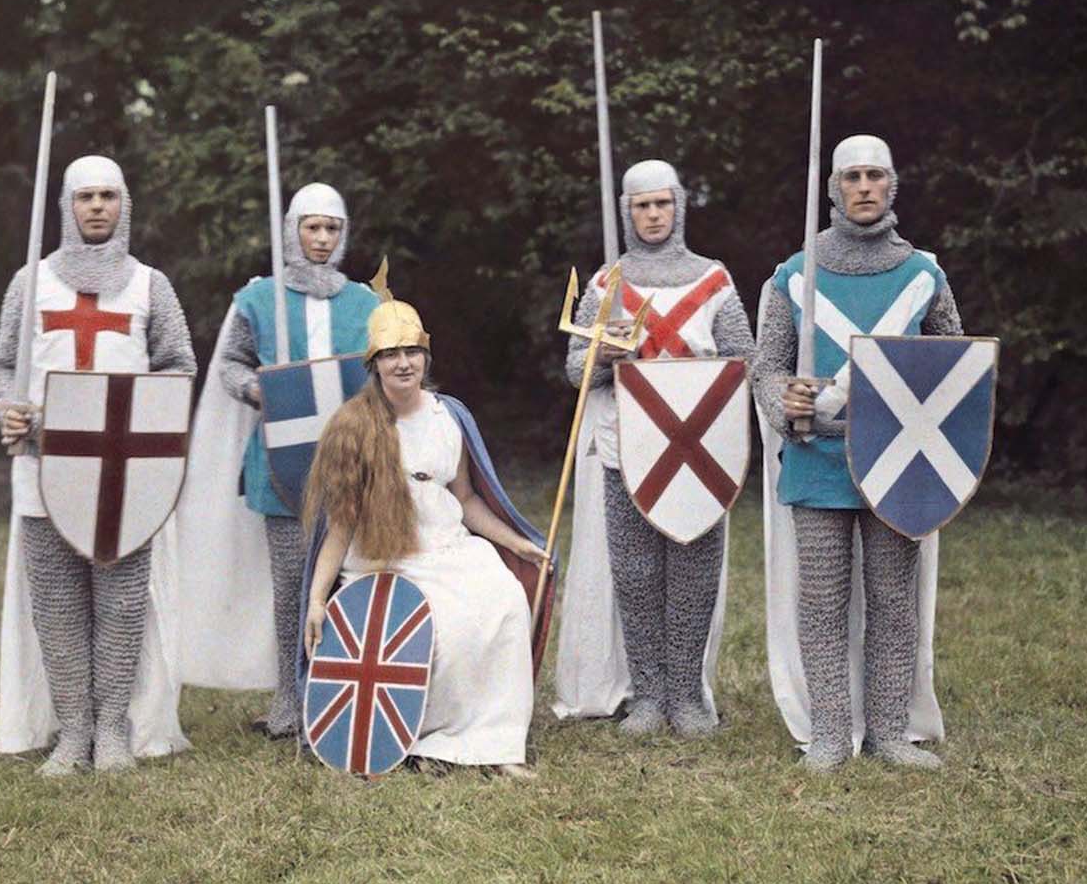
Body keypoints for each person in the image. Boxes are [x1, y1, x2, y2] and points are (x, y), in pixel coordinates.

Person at [752, 134, 962, 772]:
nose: (864, 187)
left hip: (899, 464)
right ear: (834, 188)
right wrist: (782, 399)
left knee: (894, 601)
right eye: (852, 177)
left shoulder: (924, 272)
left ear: (891, 184)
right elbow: (766, 367)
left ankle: (892, 733)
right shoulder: (794, 274)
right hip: (819, 459)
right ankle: (829, 734)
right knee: (820, 602)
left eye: (875, 175)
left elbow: (953, 364)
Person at [0, 154, 195, 775]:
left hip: (124, 477)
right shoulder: (31, 283)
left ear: (124, 204)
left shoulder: (148, 284)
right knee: (56, 604)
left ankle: (111, 729)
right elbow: (5, 363)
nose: (98, 206)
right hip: (45, 466)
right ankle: (72, 731)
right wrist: (10, 407)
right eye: (86, 197)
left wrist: (144, 423)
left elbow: (179, 367)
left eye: (109, 195)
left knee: (121, 604)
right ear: (67, 206)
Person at [300, 298, 547, 778]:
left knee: (505, 601)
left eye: (412, 351)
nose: (403, 362)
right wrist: (316, 598)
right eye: (391, 353)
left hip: (447, 547)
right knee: (446, 626)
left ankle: (496, 743)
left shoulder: (448, 415)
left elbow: (468, 499)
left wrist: (515, 543)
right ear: (374, 364)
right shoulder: (355, 426)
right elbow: (342, 526)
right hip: (384, 559)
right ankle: (428, 740)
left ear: (425, 357)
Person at [555, 160, 754, 737]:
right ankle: (647, 695)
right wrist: (605, 358)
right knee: (637, 573)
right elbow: (575, 370)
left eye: (662, 204)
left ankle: (687, 695)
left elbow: (742, 357)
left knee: (693, 570)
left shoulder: (712, 281)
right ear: (627, 211)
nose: (653, 215)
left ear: (679, 207)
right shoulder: (604, 285)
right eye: (642, 206)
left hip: (699, 449)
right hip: (629, 448)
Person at [177, 183, 379, 738]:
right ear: (293, 230)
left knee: (344, 579)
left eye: (331, 228)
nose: (321, 238)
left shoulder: (365, 302)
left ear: (343, 235)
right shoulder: (259, 299)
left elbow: (381, 373)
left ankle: (338, 692)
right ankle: (291, 698)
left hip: (348, 459)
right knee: (292, 584)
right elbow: (232, 364)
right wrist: (257, 390)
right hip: (280, 464)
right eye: (311, 227)